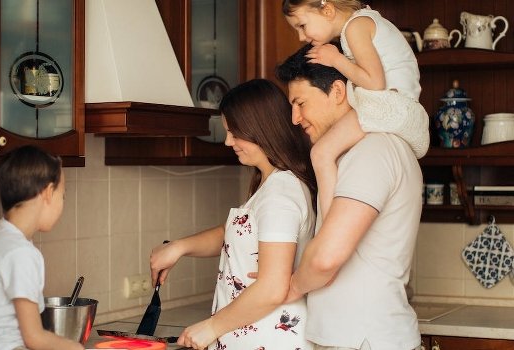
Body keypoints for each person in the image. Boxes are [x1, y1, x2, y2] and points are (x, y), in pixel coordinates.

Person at [149, 79, 317, 350]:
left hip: (270, 339)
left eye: (235, 133)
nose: (228, 141)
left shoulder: (280, 194)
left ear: (261, 128)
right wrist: (179, 247)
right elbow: (238, 233)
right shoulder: (270, 185)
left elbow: (273, 288)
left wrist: (211, 327)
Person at [276, 44, 423, 350]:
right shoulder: (348, 154)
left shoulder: (374, 150)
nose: (295, 118)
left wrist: (291, 285)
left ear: (338, 92)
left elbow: (327, 258)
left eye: (300, 103)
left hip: (365, 341)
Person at [282, 0, 429, 218]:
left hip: (388, 106)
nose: (301, 37)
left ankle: (328, 228)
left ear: (328, 10)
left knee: (321, 154)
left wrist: (335, 59)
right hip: (401, 109)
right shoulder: (365, 21)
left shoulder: (356, 27)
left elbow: (374, 82)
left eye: (302, 25)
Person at [0, 145, 83, 350]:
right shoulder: (20, 252)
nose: (62, 203)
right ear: (48, 193)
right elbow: (34, 338)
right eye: (63, 195)